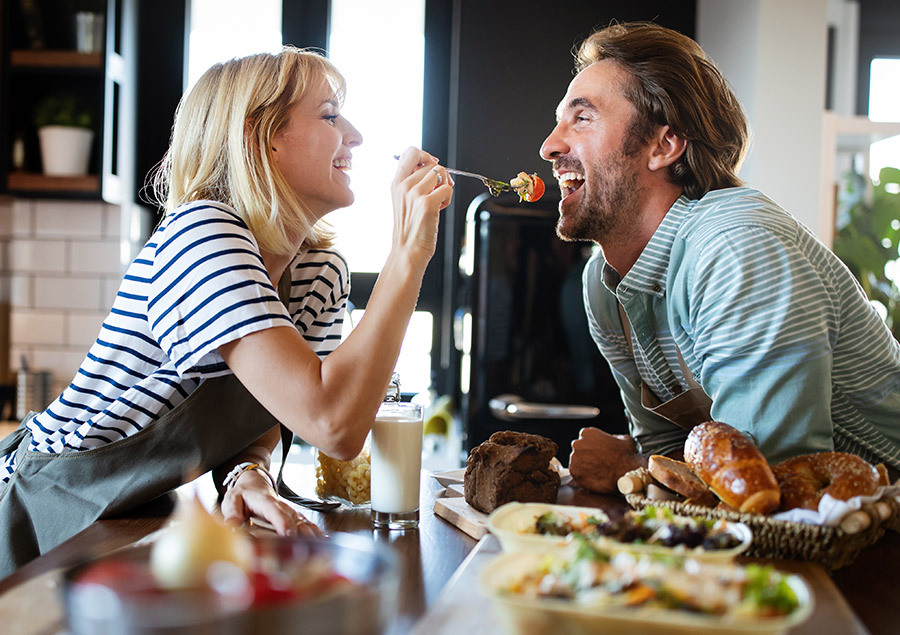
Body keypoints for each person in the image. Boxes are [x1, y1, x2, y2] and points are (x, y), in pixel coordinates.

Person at [0, 47, 452, 575]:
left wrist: (248, 472)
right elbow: (333, 422)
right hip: (37, 510)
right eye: (330, 115)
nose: (354, 135)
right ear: (259, 135)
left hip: (126, 520)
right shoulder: (202, 235)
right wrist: (408, 252)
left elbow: (271, 406)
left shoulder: (318, 273)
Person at [538, 22, 900, 493]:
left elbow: (773, 486)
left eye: (582, 118)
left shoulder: (737, 248)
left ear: (663, 145)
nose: (550, 146)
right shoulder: (604, 286)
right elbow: (670, 452)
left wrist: (629, 468)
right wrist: (647, 465)